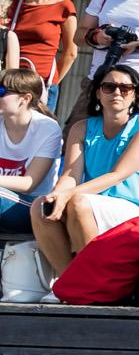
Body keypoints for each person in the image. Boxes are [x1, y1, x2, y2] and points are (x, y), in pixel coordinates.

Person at [31, 67, 139, 278]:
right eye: (109, 86)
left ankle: (94, 280)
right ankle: (69, 280)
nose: (117, 92)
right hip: (94, 203)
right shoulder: (81, 127)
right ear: (98, 92)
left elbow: (119, 174)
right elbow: (70, 174)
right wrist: (57, 195)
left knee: (78, 202)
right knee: (41, 206)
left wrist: (68, 196)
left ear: (134, 94)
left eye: (125, 88)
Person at [3, 0, 77, 113]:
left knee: (39, 134)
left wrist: (53, 81)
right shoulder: (16, 6)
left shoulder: (63, 6)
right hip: (13, 84)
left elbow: (71, 52)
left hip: (42, 85)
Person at [0, 67, 64, 235]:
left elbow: (29, 183)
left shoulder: (47, 128)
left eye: (1, 91)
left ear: (25, 98)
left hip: (32, 206)